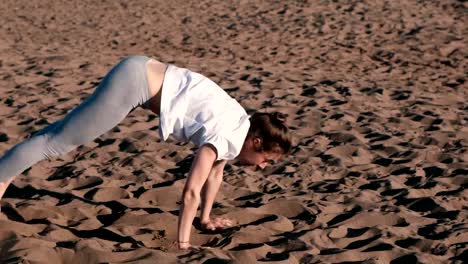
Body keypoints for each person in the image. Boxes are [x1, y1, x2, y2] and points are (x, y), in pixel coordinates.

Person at [0, 55, 292, 250]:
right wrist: (183, 244)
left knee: (56, 135)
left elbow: (216, 173)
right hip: (134, 82)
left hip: (142, 72)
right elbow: (190, 191)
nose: (263, 167)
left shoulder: (241, 123)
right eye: (267, 160)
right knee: (56, 143)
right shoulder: (226, 134)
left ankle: (6, 173)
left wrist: (205, 219)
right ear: (256, 143)